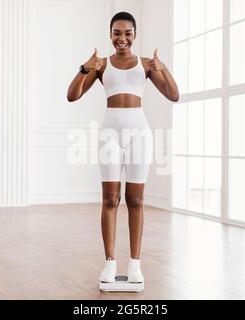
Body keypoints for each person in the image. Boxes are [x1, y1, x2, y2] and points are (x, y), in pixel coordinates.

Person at [67, 12, 179, 283]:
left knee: (136, 200)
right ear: (110, 34)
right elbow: (72, 96)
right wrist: (85, 67)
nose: (122, 38)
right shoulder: (101, 65)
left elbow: (174, 95)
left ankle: (135, 264)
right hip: (110, 135)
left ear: (135, 35)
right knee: (110, 199)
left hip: (139, 133)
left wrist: (162, 67)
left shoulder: (146, 64)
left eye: (127, 33)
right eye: (117, 33)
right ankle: (109, 262)